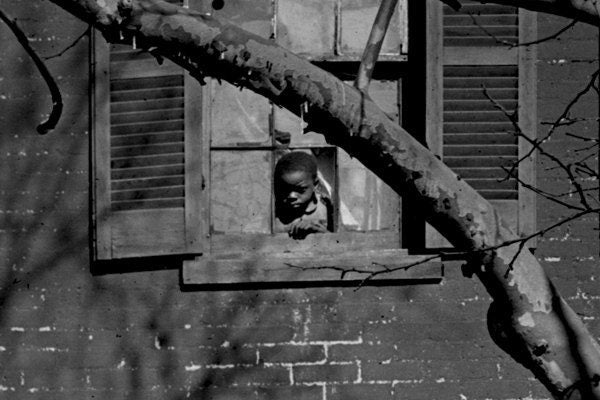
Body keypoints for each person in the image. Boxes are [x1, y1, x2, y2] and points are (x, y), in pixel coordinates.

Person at [274, 152, 333, 239]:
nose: (292, 196)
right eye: (285, 189)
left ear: (315, 184)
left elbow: (344, 243)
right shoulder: (272, 210)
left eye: (300, 190)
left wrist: (321, 233)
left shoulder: (327, 207)